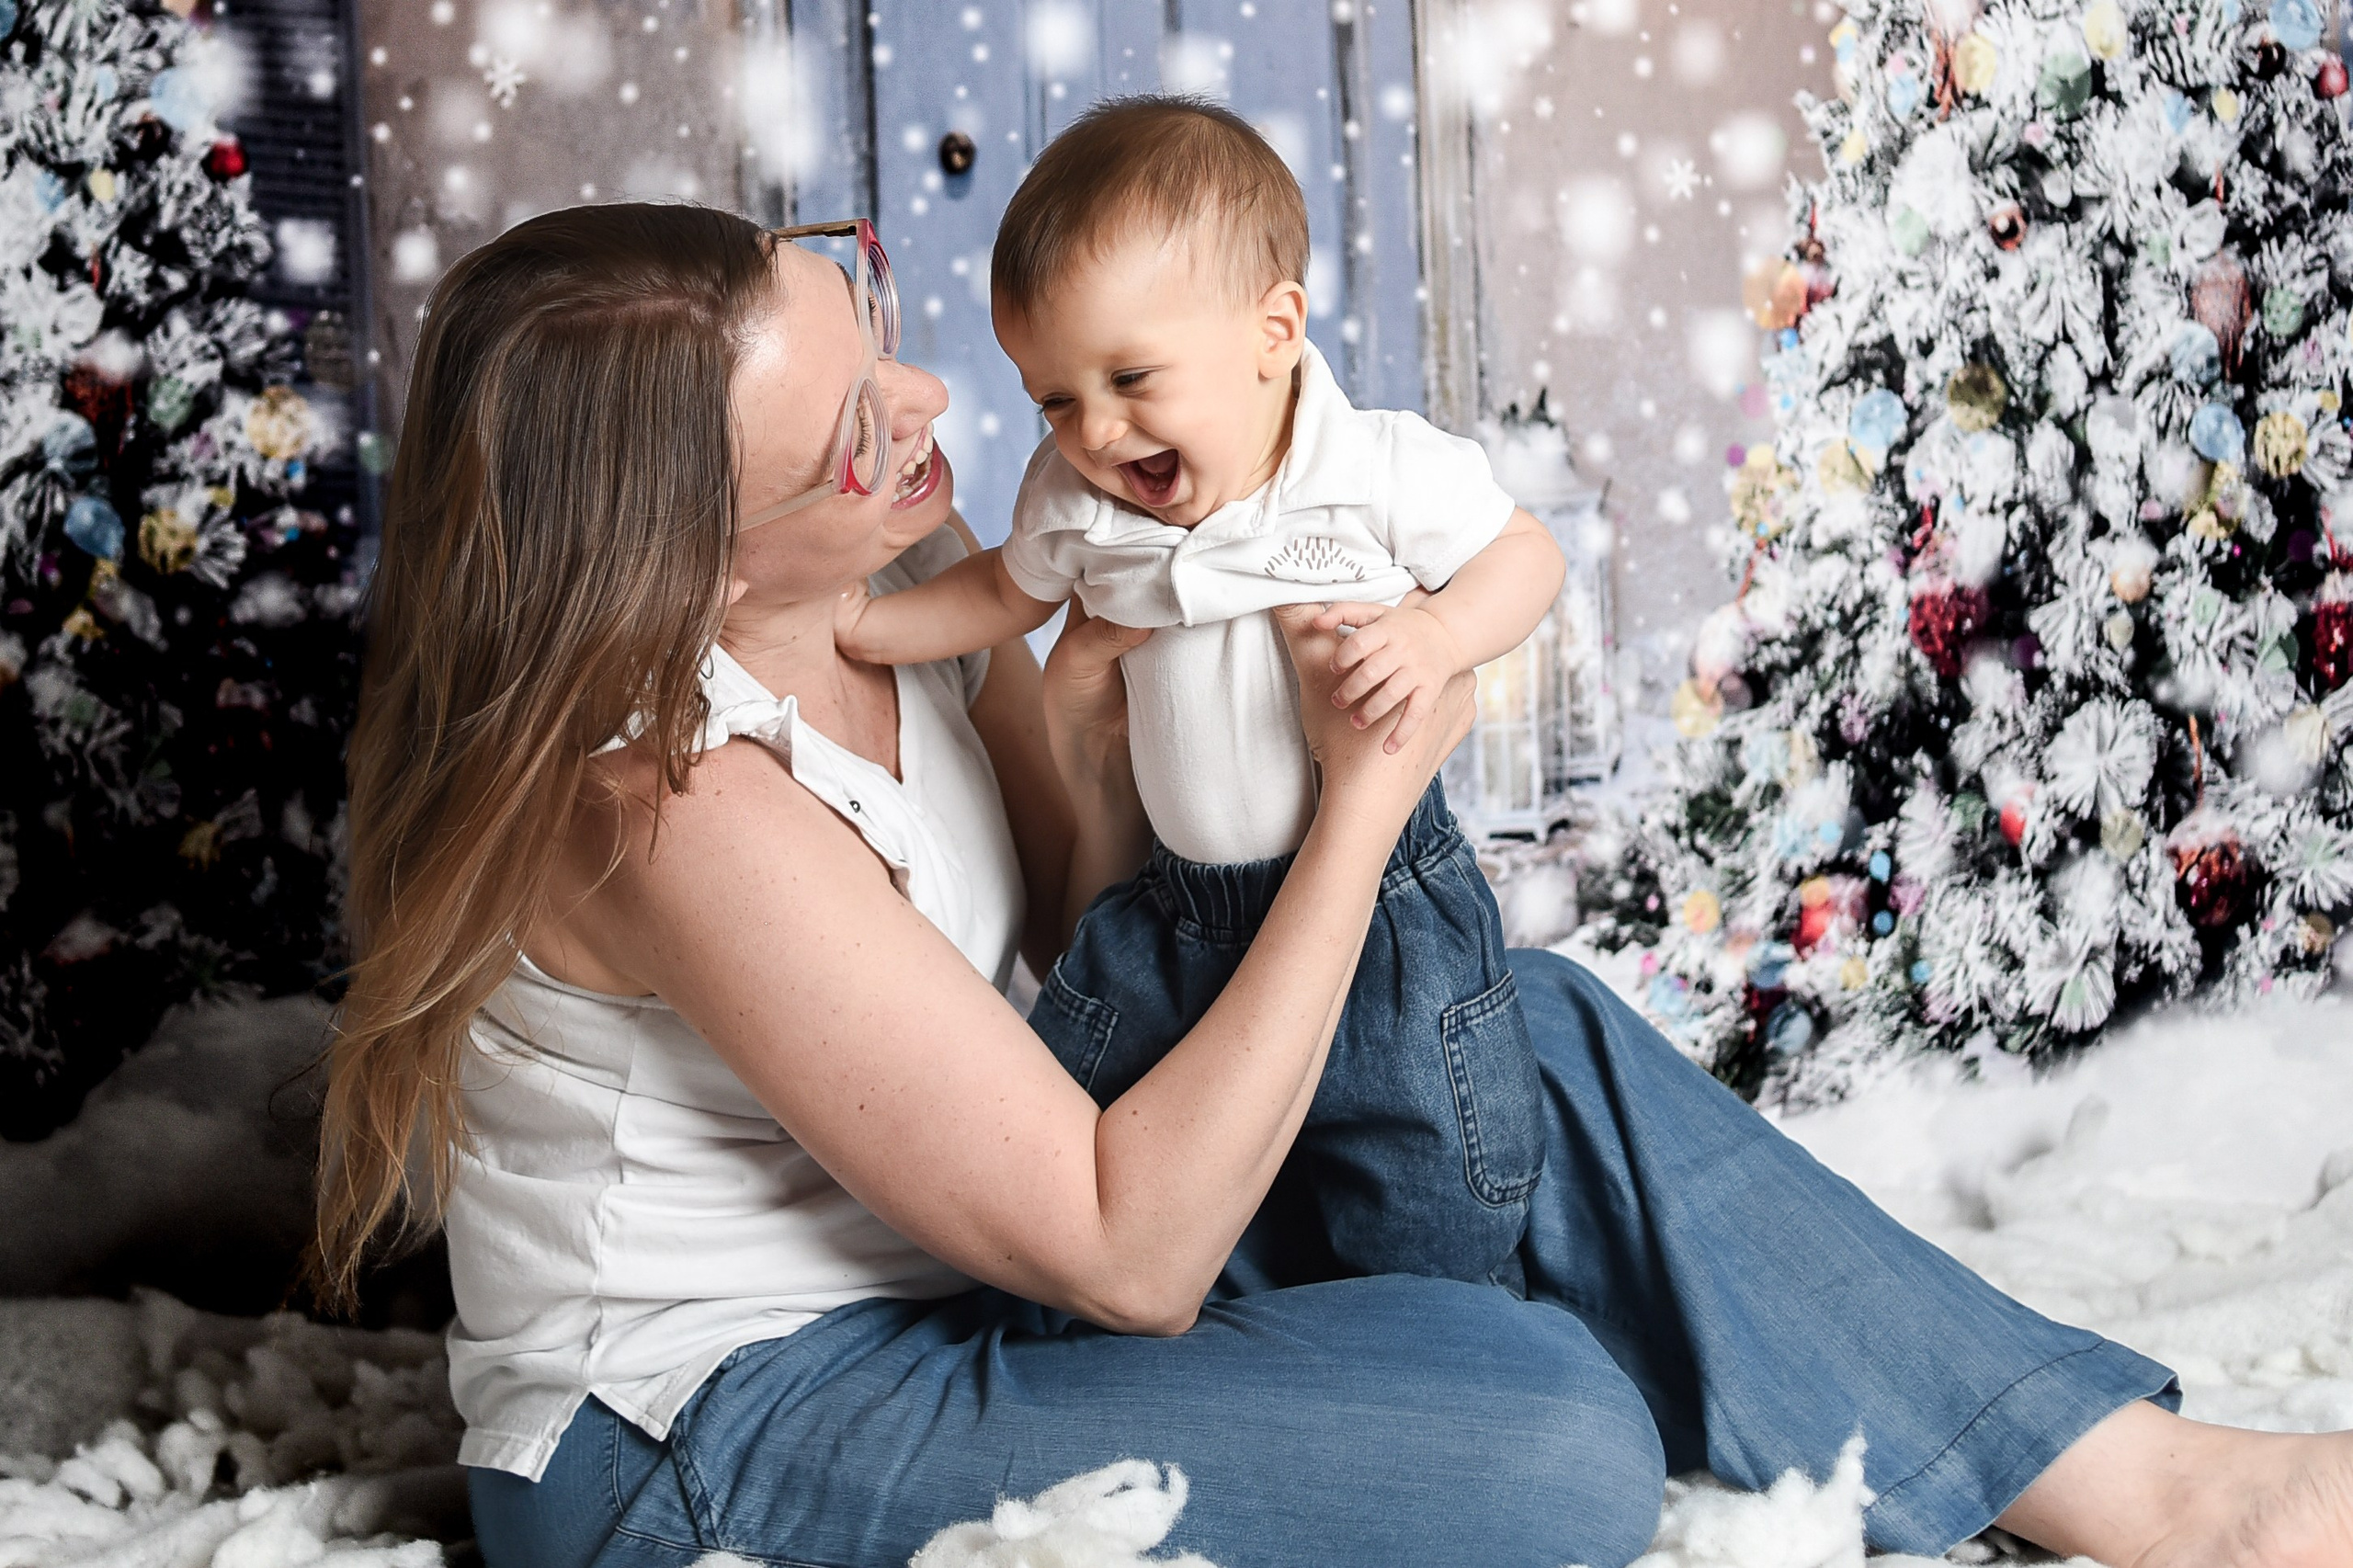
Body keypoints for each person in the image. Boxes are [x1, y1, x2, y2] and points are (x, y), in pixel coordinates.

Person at [316, 201, 2353, 1568]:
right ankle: (1565, 1350)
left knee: (1497, 1033)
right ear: (684, 557)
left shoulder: (892, 622)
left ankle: (2158, 1487)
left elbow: (1079, 952)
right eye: (853, 436)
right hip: (723, 1428)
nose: (932, 411)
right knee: (1545, 1432)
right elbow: (1123, 1244)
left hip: (979, 1258)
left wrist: (1121, 717)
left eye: (886, 343)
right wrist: (1371, 798)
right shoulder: (667, 803)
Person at [835, 97, 1565, 1291]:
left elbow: (1524, 554)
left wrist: (1437, 632)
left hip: (1384, 903)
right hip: (1176, 914)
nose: (1095, 429)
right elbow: (1002, 597)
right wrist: (868, 622)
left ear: (1274, 329)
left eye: (1130, 377)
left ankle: (1449, 1331)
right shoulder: (1079, 503)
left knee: (1432, 1165)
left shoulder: (1369, 467)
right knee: (1082, 1119)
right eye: (1055, 398)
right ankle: (1195, 1318)